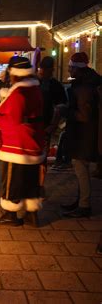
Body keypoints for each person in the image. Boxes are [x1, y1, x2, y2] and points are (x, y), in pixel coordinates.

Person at [0, 56, 45, 227]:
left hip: (17, 143)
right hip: (33, 141)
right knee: (30, 179)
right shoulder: (35, 89)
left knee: (13, 179)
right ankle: (31, 213)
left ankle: (10, 214)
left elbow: (12, 119)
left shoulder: (19, 93)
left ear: (14, 73)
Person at [61, 52, 101, 218]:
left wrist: (66, 111)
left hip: (84, 133)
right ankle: (80, 201)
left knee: (80, 167)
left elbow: (84, 115)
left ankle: (84, 205)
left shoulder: (84, 87)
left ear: (77, 69)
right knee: (80, 167)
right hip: (87, 132)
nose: (69, 70)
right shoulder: (89, 81)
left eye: (70, 67)